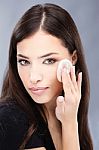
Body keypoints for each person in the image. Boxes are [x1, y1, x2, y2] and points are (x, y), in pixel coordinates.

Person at [0, 3, 93, 150]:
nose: (33, 77)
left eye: (48, 61)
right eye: (24, 61)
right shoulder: (11, 119)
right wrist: (69, 124)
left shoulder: (68, 113)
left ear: (73, 58)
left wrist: (69, 121)